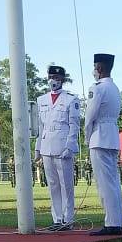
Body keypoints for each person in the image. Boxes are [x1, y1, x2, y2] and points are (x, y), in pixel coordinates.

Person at [35, 65, 81, 230]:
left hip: (63, 146)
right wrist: (37, 149)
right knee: (53, 184)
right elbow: (41, 127)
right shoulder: (41, 100)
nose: (53, 81)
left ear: (63, 79)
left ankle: (67, 220)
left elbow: (74, 125)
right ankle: (57, 219)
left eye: (57, 78)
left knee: (66, 184)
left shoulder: (71, 99)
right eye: (51, 77)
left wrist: (70, 146)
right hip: (46, 145)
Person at [83, 54, 122, 234]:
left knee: (104, 183)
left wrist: (87, 136)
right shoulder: (114, 88)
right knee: (112, 182)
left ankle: (112, 223)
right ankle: (116, 221)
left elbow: (90, 116)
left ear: (99, 68)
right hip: (112, 135)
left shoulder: (97, 88)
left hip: (99, 136)